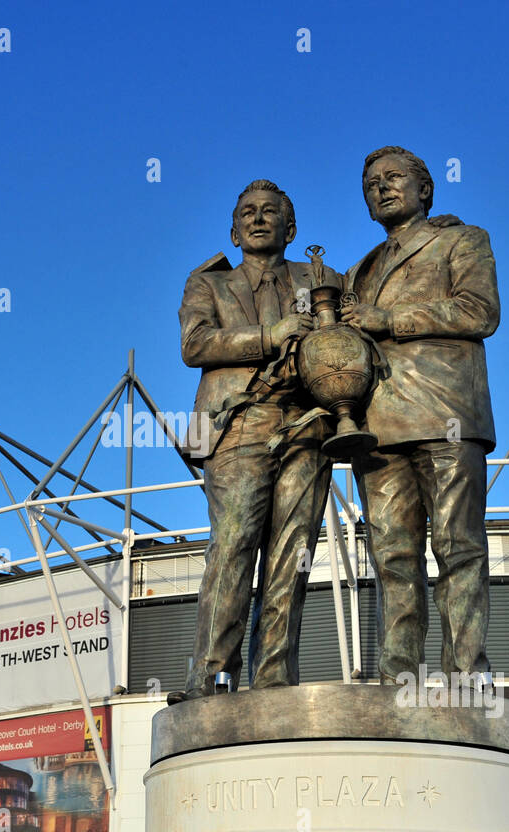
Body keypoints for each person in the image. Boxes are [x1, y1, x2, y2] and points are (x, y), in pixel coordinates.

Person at [170, 180, 339, 702]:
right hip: (238, 424)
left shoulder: (324, 279)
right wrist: (272, 336)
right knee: (234, 546)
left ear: (291, 228)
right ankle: (210, 680)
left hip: (308, 425)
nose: (257, 219)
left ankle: (274, 681)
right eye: (247, 213)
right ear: (233, 229)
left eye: (269, 212)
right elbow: (195, 345)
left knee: (294, 554)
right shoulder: (208, 285)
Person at [338, 146, 499, 684]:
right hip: (378, 428)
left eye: (393, 178)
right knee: (393, 559)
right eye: (370, 184)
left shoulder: (461, 239)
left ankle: (468, 678)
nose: (381, 188)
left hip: (446, 413)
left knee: (457, 548)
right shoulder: (355, 271)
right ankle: (397, 680)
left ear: (425, 190)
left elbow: (479, 311)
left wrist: (387, 318)